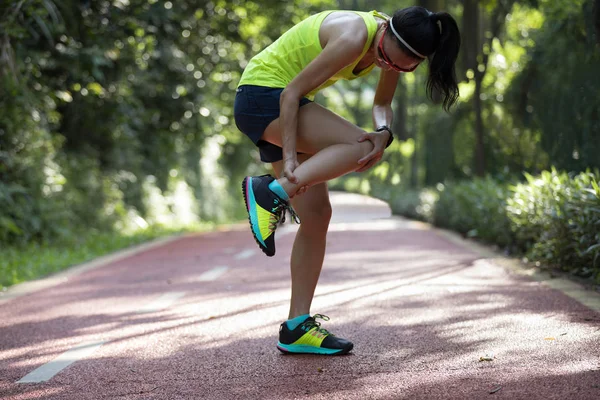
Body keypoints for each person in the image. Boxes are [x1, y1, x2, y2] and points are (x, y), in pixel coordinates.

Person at [234, 6, 460, 355]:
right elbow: (289, 94)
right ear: (384, 31)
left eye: (401, 68)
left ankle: (296, 327)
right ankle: (271, 192)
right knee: (358, 146)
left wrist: (385, 132)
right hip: (264, 96)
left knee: (317, 216)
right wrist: (292, 161)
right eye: (385, 58)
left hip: (282, 104)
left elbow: (382, 103)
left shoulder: (395, 48)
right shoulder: (355, 35)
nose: (387, 67)